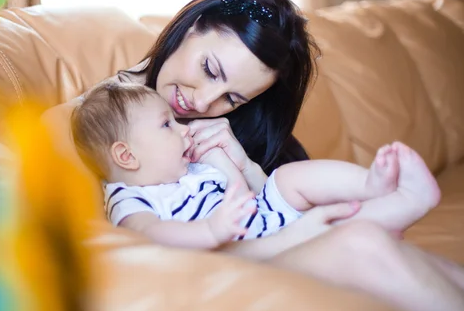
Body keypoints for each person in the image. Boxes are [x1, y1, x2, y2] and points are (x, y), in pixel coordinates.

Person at [44, 0, 464, 311]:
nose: (205, 103)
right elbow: (126, 250)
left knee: (415, 258)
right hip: (218, 264)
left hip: (269, 234)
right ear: (191, 26)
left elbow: (278, 196)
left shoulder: (233, 129)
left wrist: (242, 164)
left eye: (232, 98)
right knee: (362, 244)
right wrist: (296, 233)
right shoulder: (87, 127)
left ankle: (385, 199)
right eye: (210, 69)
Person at [71, 81, 439, 249]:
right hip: (246, 247)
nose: (183, 131)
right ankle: (404, 204)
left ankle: (372, 186)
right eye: (168, 125)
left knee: (290, 177)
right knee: (337, 231)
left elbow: (246, 192)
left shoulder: (189, 170)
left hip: (260, 217)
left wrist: (221, 162)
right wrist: (211, 231)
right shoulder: (128, 197)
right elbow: (148, 235)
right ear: (126, 156)